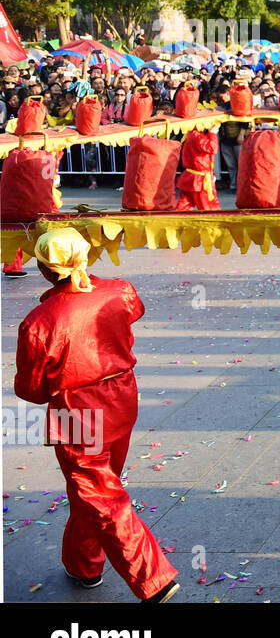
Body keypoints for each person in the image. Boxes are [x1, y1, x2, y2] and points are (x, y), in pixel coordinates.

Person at [13, 229, 179, 602]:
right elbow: (133, 310)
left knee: (99, 493)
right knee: (92, 488)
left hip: (77, 412)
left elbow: (31, 390)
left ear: (44, 268)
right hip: (121, 396)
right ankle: (83, 564)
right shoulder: (119, 290)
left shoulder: (40, 321)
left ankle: (152, 577)